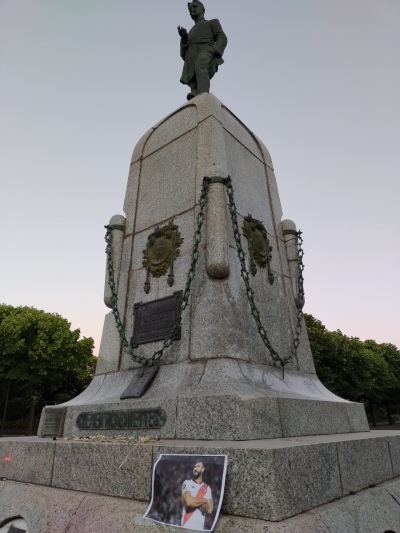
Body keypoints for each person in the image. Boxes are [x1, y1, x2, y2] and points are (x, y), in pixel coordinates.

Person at [178, 1, 227, 100]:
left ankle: (203, 94)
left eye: (195, 7)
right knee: (192, 74)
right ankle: (195, 93)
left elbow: (222, 37)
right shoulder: (190, 31)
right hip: (191, 55)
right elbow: (183, 53)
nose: (192, 10)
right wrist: (184, 37)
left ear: (203, 9)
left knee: (200, 67)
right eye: (190, 9)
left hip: (206, 49)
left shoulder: (212, 22)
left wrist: (214, 49)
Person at [181, 460, 213, 530]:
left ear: (203, 469)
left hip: (199, 528)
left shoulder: (207, 488)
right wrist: (204, 500)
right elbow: (189, 502)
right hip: (186, 525)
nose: (195, 468)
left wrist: (194, 501)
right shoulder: (187, 483)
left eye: (198, 466)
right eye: (195, 467)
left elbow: (210, 509)